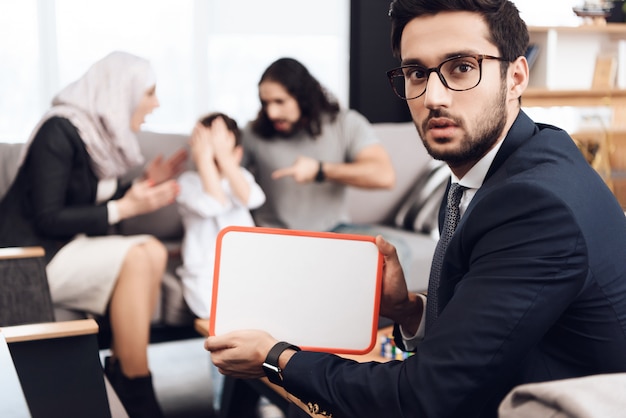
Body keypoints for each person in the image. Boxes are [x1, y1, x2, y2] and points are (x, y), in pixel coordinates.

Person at [203, 1, 626, 417]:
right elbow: (489, 330)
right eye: (416, 73)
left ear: (515, 77)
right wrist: (407, 308)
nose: (433, 97)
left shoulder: (535, 204)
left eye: (461, 67)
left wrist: (276, 358)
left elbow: (423, 398)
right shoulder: (488, 169)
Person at [0, 51, 187, 418]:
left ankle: (124, 372)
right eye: (149, 92)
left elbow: (86, 199)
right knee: (139, 253)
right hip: (28, 261)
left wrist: (142, 186)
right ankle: (135, 385)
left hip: (63, 249)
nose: (156, 103)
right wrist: (125, 208)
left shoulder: (100, 137)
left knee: (152, 252)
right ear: (121, 91)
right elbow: (49, 217)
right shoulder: (59, 130)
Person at [241, 57, 395, 232]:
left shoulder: (345, 123)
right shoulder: (252, 132)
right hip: (273, 233)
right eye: (265, 103)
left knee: (393, 248)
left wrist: (320, 170)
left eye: (280, 102)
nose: (271, 113)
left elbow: (384, 176)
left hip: (333, 230)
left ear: (303, 97)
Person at [176, 112, 266, 319]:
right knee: (217, 318)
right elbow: (214, 204)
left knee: (254, 314)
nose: (215, 158)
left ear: (237, 154)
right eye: (207, 150)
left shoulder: (240, 177)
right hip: (203, 272)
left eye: (221, 151)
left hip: (244, 265)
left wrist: (225, 159)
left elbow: (251, 199)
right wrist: (205, 160)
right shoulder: (188, 182)